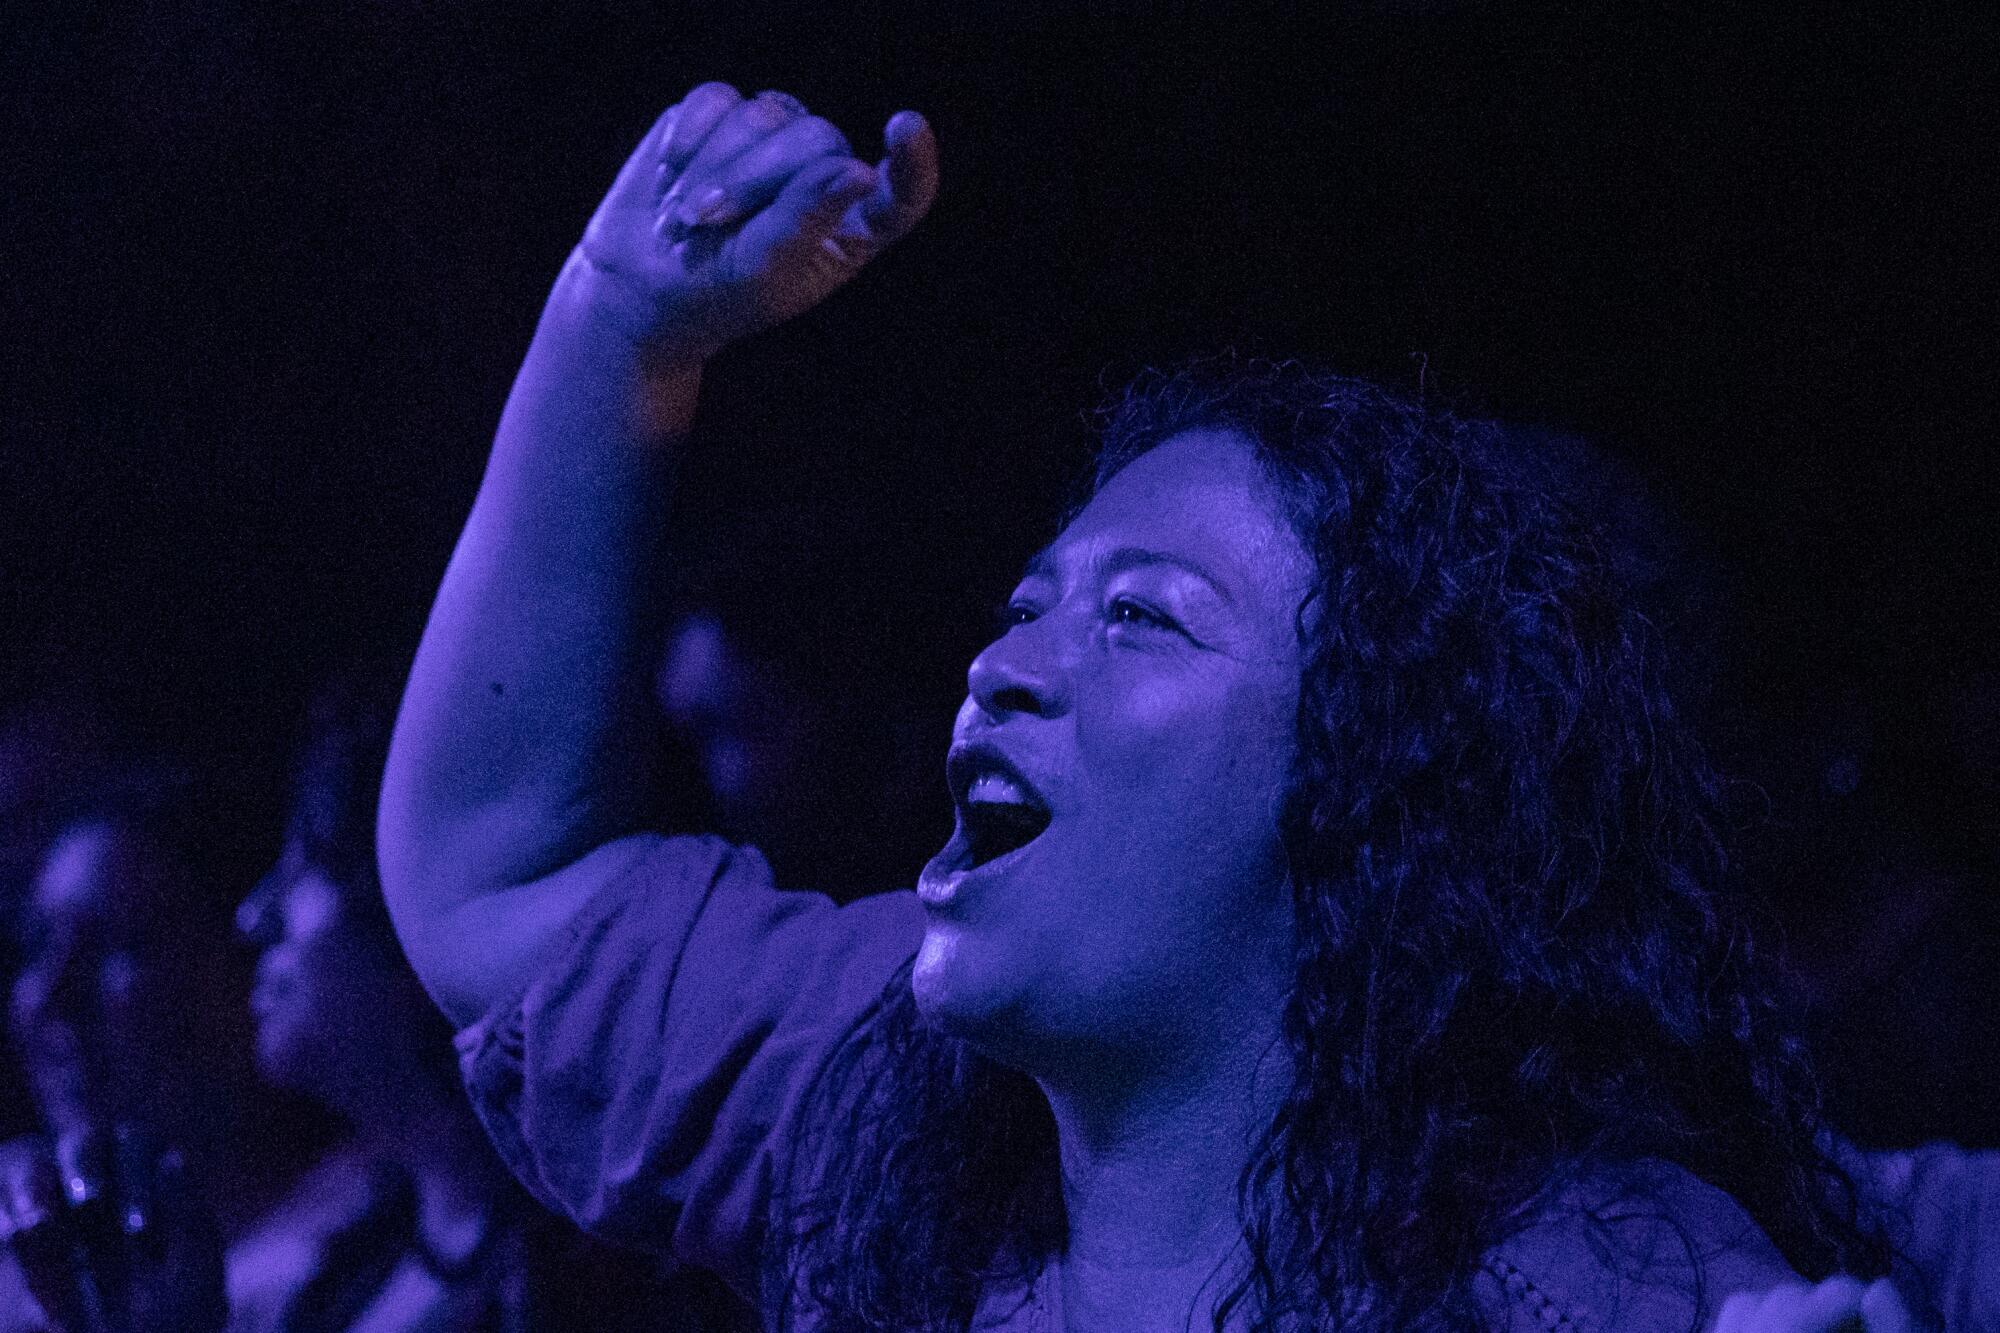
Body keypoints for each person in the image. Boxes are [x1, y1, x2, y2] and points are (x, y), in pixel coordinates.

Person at [376, 83, 1922, 1330]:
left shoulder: (1606, 1282)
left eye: (1141, 617)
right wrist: (616, 325)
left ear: (1373, 790)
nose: (1004, 665)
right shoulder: (896, 1113)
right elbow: (500, 885)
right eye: (1027, 604)